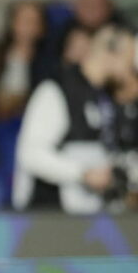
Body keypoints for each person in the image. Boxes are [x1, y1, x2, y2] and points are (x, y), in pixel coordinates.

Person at [13, 26, 136, 212]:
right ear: (111, 54)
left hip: (94, 216)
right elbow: (31, 154)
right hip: (49, 216)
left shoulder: (110, 98)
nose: (132, 69)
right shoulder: (57, 89)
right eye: (130, 59)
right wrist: (82, 174)